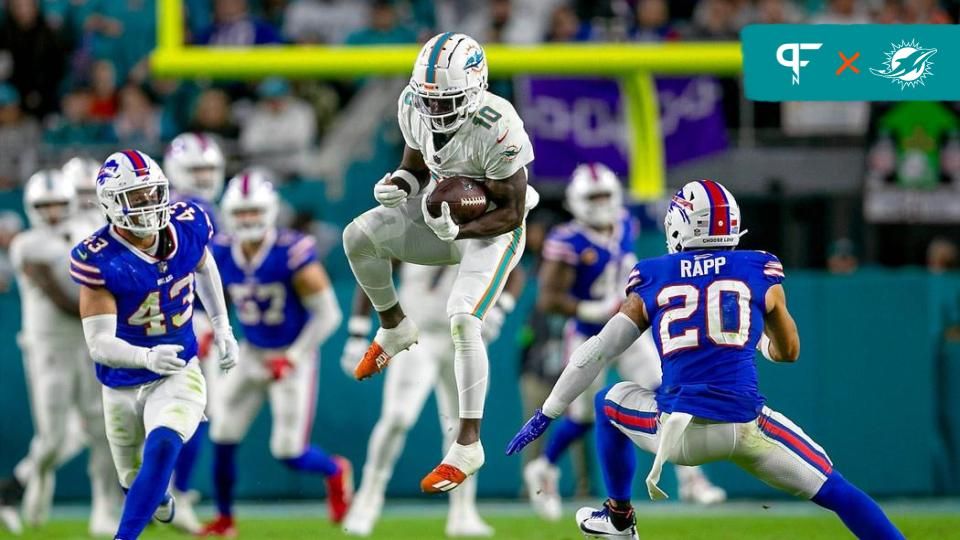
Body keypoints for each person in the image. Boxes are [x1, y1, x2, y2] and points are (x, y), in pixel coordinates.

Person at [506, 180, 906, 540]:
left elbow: (596, 351)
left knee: (608, 401)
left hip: (678, 434)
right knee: (837, 490)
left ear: (680, 226)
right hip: (748, 426)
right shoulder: (758, 267)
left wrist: (547, 412)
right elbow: (789, 352)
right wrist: (756, 346)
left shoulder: (654, 275)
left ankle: (619, 518)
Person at [342, 32, 537, 492]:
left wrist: (463, 230)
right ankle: (394, 325)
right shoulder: (413, 103)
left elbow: (512, 210)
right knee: (358, 237)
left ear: (475, 88)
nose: (436, 110)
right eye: (429, 99)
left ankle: (468, 443)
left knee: (464, 320)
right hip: (441, 213)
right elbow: (416, 165)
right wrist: (401, 185)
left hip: (495, 229)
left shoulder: (499, 122)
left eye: (447, 100)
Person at [523, 164, 724, 521]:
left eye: (604, 195)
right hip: (589, 334)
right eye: (593, 197)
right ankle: (545, 468)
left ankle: (691, 477)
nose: (601, 203)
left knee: (669, 396)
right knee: (582, 417)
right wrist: (594, 306)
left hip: (629, 331)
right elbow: (548, 299)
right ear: (576, 200)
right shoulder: (567, 240)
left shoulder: (626, 224)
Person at [69, 149, 239, 540]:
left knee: (164, 444)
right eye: (137, 197)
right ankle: (157, 497)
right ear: (112, 203)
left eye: (152, 192)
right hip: (121, 379)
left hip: (178, 366)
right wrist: (146, 355)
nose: (149, 204)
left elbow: (203, 263)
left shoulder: (188, 223)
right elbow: (98, 343)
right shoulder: (99, 259)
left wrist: (222, 326)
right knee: (132, 480)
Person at [200, 171, 352, 536]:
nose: (248, 219)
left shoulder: (291, 252)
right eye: (242, 212)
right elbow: (212, 300)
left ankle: (335, 471)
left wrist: (295, 356)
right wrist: (210, 331)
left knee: (288, 451)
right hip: (251, 352)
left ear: (269, 211)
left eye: (255, 211)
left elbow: (329, 314)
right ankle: (225, 519)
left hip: (290, 354)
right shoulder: (220, 251)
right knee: (222, 433)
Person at [342, 262, 520, 537]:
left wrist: (500, 307)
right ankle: (368, 499)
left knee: (463, 428)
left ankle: (463, 511)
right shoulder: (413, 225)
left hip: (464, 337)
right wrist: (357, 331)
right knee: (397, 418)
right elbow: (374, 267)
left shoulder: (478, 226)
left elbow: (514, 267)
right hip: (417, 335)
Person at [3, 170, 121, 536]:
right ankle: (36, 473)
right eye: (44, 205)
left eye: (58, 203)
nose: (53, 211)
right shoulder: (27, 243)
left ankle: (105, 507)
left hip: (89, 343)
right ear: (31, 207)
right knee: (52, 438)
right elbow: (61, 295)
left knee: (102, 428)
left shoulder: (92, 229)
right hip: (48, 346)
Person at [162, 131, 228, 533]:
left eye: (209, 169)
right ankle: (175, 495)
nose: (204, 177)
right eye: (196, 169)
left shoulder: (196, 207)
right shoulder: (187, 210)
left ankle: (162, 494)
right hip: (185, 320)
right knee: (197, 413)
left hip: (187, 320)